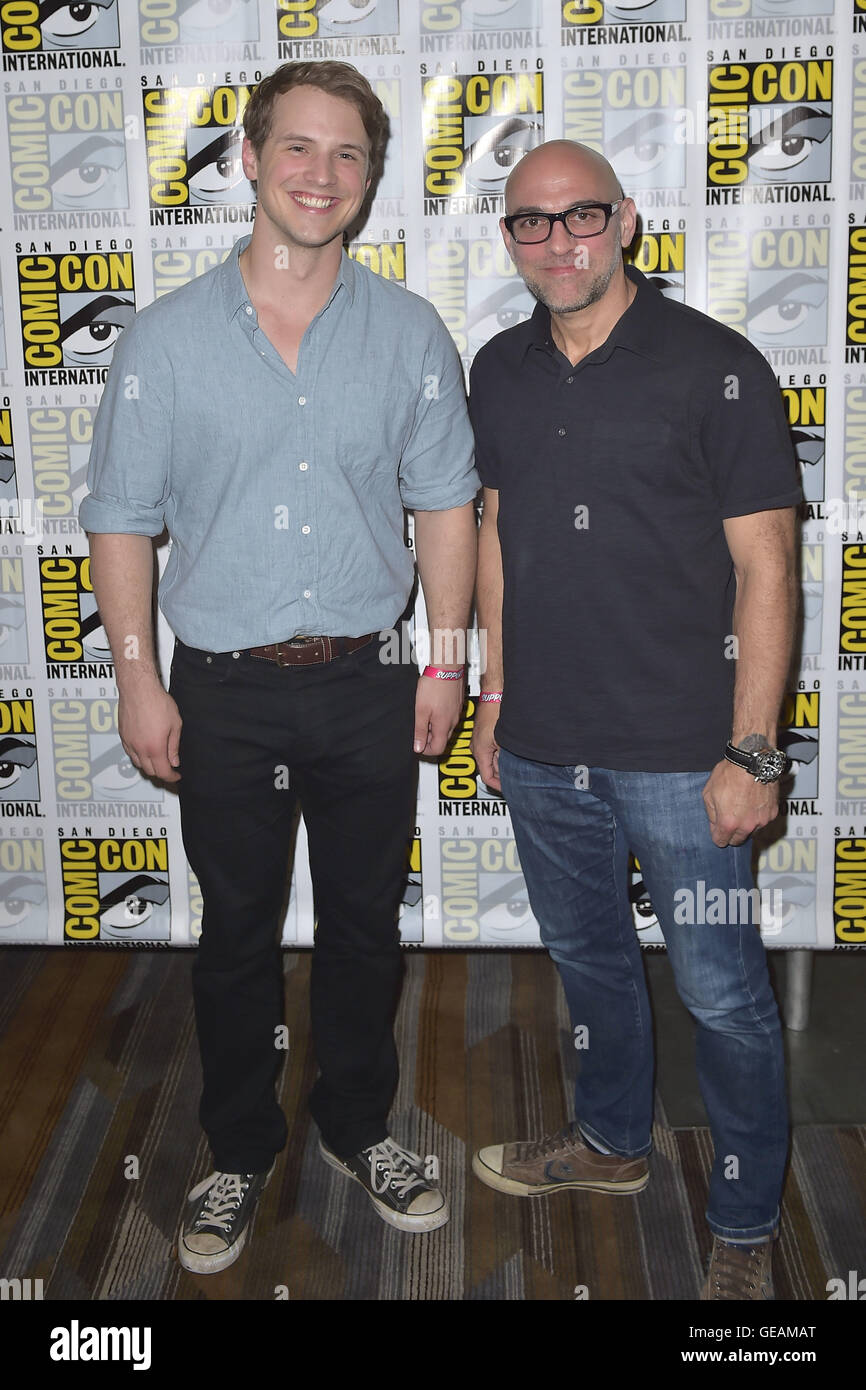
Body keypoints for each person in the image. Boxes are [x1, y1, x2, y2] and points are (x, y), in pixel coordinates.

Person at [80, 60, 479, 1274]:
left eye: (348, 153)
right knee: (237, 931)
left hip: (367, 680)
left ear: (370, 178)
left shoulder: (409, 333)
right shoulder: (163, 339)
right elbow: (119, 520)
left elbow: (447, 508)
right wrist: (137, 678)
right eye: (297, 148)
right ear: (250, 161)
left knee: (365, 926)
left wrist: (445, 662)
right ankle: (237, 1149)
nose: (321, 174)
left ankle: (360, 1124)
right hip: (225, 690)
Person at [468, 139, 801, 1301]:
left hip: (681, 758)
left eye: (581, 216)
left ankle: (748, 1221)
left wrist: (750, 749)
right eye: (530, 223)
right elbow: (500, 541)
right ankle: (610, 1146)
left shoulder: (716, 366)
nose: (558, 241)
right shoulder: (498, 370)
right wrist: (494, 695)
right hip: (545, 750)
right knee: (589, 965)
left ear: (627, 223)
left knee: (720, 994)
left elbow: (766, 569)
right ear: (508, 239)